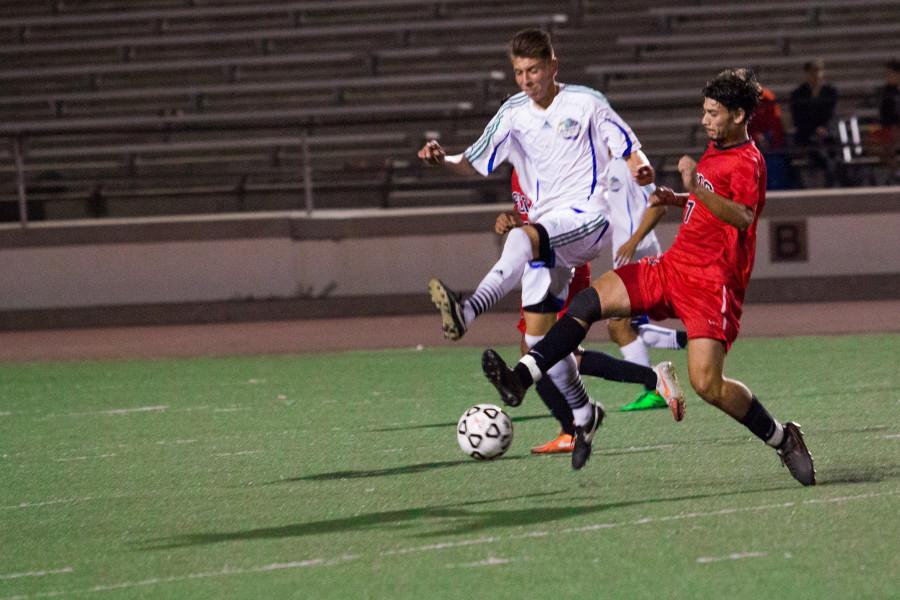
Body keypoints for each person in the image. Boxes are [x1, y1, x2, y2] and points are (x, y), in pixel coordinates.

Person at [481, 68, 817, 486]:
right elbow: (708, 205)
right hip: (674, 267)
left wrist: (696, 186)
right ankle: (522, 377)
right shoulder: (717, 147)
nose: (705, 120)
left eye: (713, 113)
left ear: (737, 115)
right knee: (590, 303)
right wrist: (679, 198)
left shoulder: (748, 161)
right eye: (704, 111)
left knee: (707, 385)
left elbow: (744, 217)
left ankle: (783, 439)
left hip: (713, 286)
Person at [419, 28, 677, 449]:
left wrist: (640, 168)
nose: (525, 80)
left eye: (533, 70)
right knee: (540, 345)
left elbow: (629, 145)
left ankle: (468, 311)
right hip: (548, 233)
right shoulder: (513, 113)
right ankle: (582, 416)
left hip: (588, 219)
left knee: (523, 238)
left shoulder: (587, 102)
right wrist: (440, 159)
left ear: (553, 66)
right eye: (519, 72)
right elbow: (472, 160)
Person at [503, 169, 686, 455]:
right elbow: (534, 219)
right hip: (544, 265)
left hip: (562, 263)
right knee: (555, 352)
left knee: (546, 350)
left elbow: (573, 215)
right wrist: (516, 223)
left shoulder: (556, 156)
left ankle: (573, 427)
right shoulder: (520, 167)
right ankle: (648, 381)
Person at [789, 59, 839, 187]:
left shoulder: (830, 92)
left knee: (830, 146)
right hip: (807, 134)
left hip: (826, 133)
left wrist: (823, 128)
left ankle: (829, 174)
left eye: (818, 71)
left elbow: (831, 115)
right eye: (812, 72)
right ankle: (829, 176)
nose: (816, 75)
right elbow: (798, 118)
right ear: (806, 74)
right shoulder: (798, 94)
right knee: (815, 148)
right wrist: (813, 129)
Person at [873, 59, 899, 183]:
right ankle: (895, 171)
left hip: (897, 129)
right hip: (888, 129)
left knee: (891, 138)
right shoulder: (886, 91)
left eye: (890, 73)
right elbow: (884, 115)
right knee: (873, 141)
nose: (887, 77)